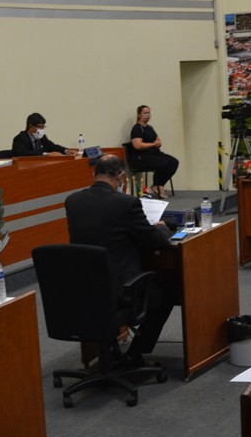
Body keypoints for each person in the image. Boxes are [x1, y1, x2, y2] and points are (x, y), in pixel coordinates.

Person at [64, 155, 175, 367]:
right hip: (121, 290)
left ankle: (111, 349)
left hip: (84, 289)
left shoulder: (72, 201)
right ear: (122, 177)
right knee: (168, 292)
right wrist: (161, 227)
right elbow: (157, 241)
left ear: (94, 174)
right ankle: (135, 354)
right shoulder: (126, 203)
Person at [129, 105, 179, 198]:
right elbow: (137, 145)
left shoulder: (149, 128)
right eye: (145, 113)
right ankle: (158, 185)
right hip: (142, 157)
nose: (148, 115)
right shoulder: (137, 128)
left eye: (149, 113)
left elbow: (157, 139)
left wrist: (158, 143)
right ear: (139, 115)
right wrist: (153, 144)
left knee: (174, 162)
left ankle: (158, 184)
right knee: (163, 163)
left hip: (154, 153)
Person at [11, 112, 77, 156]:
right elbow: (23, 153)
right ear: (30, 126)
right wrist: (45, 154)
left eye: (43, 127)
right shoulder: (20, 138)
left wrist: (66, 151)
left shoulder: (41, 137)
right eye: (39, 127)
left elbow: (51, 146)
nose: (41, 130)